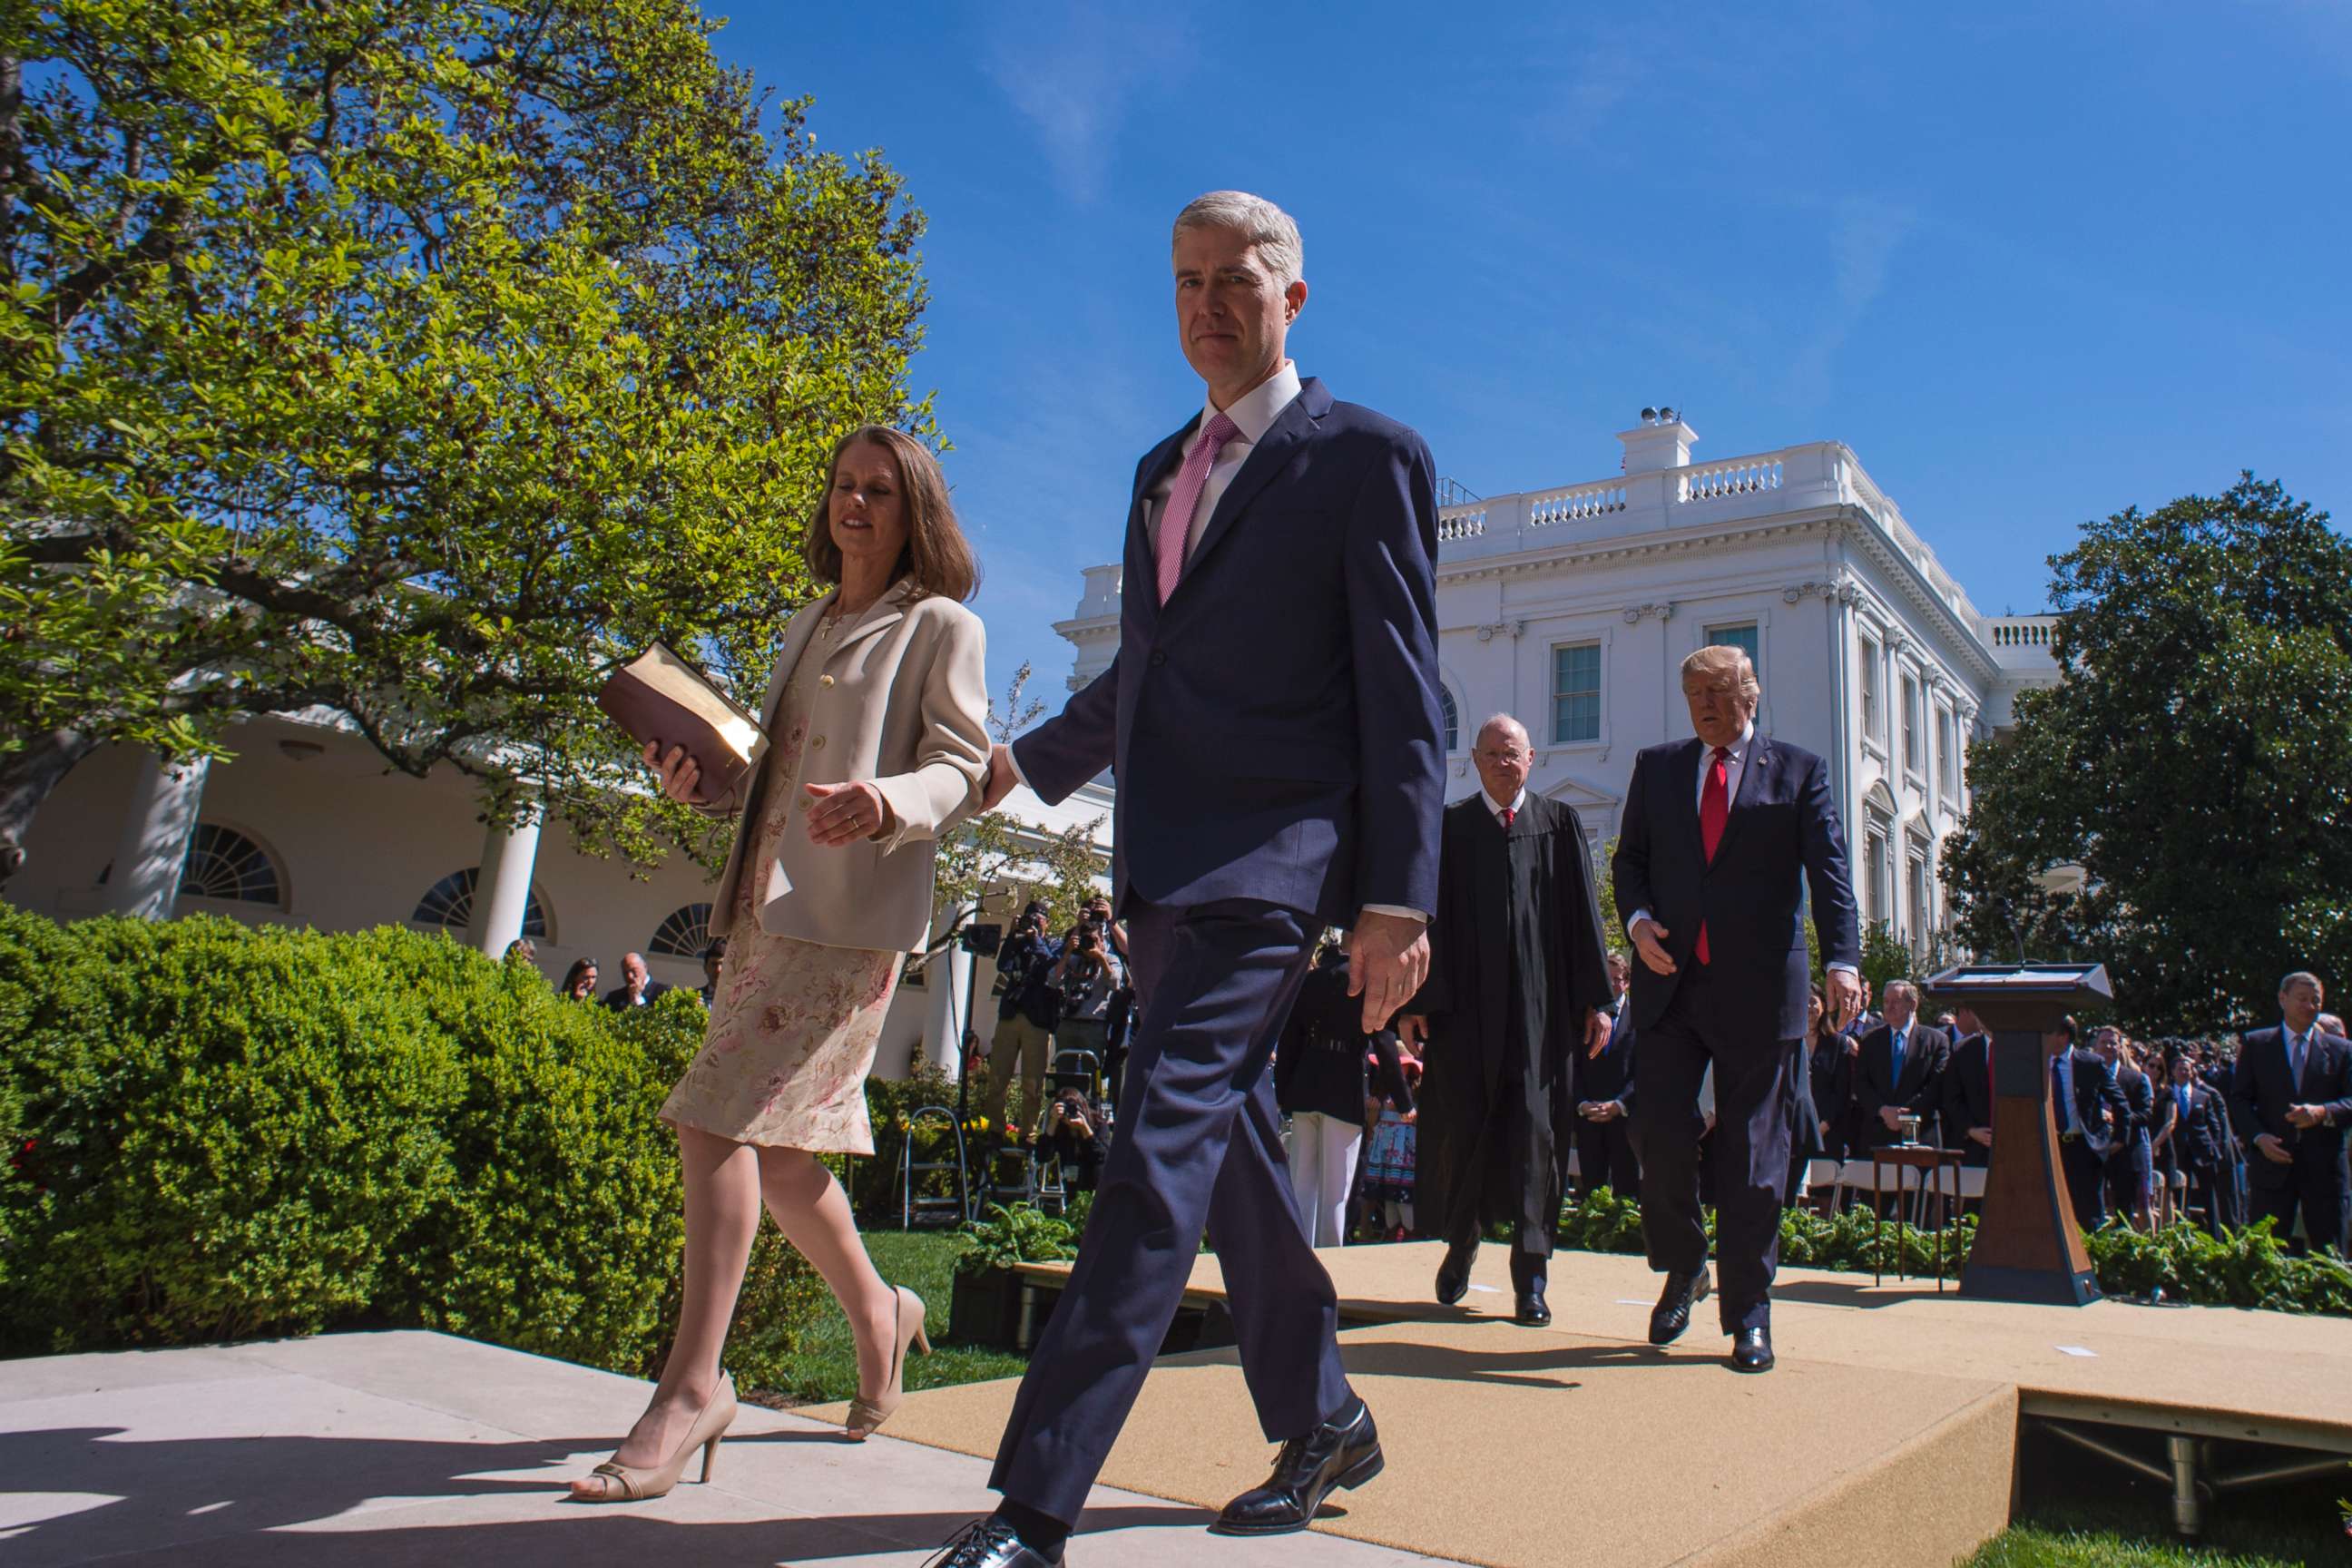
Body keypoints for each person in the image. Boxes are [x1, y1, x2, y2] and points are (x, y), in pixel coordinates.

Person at [948, 190, 1443, 1568]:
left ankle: (1033, 1508)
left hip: (1277, 867)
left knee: (1153, 1151)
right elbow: (1143, 671)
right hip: (1159, 867)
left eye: (1237, 279)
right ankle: (1327, 1416)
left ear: (1295, 297)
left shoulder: (1368, 460)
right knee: (1217, 1150)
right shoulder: (1162, 469)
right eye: (1184, 281)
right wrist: (1022, 765)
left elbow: (1408, 696)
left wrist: (1401, 896)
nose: (1207, 303)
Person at [572, 425, 989, 1501]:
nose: (855, 505)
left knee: (713, 1118)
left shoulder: (940, 625)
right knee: (785, 1151)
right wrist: (697, 780)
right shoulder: (805, 622)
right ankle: (882, 1313)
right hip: (762, 907)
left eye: (880, 491)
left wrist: (888, 803)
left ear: (915, 513)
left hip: (849, 920)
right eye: (844, 487)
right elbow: (768, 774)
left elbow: (959, 763)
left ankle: (692, 1385)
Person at [1613, 643, 1862, 1375]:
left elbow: (1831, 872)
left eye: (1718, 698)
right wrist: (1635, 923)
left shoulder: (1799, 771)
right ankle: (1685, 1262)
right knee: (1656, 1136)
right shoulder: (1657, 767)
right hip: (1672, 982)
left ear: (1751, 697)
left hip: (1760, 992)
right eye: (1694, 700)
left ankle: (1749, 1315)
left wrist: (1843, 961)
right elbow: (1630, 861)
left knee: (1753, 1159)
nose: (1705, 712)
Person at [1402, 713, 1610, 1328]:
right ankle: (1461, 1243)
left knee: (1534, 1141)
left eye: (1512, 752)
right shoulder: (1451, 829)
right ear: (1474, 758)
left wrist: (1596, 1000)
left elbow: (1585, 921)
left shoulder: (1559, 825)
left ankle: (1531, 1278)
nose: (1502, 762)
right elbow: (1426, 922)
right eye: (1491, 753)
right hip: (1464, 1014)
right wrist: (1418, 1000)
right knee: (1463, 1132)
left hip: (1540, 1018)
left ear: (1531, 758)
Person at [1276, 942, 1416, 1248]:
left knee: (1301, 1185)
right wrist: (1404, 1101)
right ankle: (1329, 1268)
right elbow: (1384, 1044)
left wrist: (1284, 1092)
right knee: (1335, 1193)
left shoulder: (1310, 979)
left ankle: (1295, 1261)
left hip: (1305, 1086)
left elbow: (1289, 1039)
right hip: (1343, 1089)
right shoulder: (1364, 983)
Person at [2228, 972, 2351, 1258]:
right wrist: (2258, 1137)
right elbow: (2239, 1099)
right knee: (2266, 1255)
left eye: (2315, 1000)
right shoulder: (2257, 1044)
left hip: (2325, 1170)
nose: (2309, 1006)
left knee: (2330, 1257)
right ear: (2283, 999)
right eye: (2302, 999)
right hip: (2272, 1167)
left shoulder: (2342, 1050)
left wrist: (2323, 1112)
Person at [980, 902, 1060, 1136]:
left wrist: (1036, 940)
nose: (1033, 922)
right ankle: (996, 1130)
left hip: (1037, 1020)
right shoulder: (1018, 942)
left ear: (1047, 922)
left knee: (1032, 1083)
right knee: (998, 1077)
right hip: (1010, 1015)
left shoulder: (1053, 944)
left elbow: (1051, 968)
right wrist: (1014, 936)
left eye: (1038, 918)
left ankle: (1029, 1133)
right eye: (1029, 917)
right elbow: (1002, 965)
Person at [1852, 980, 1949, 1155]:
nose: (1889, 1007)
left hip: (1920, 1134)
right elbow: (1861, 1083)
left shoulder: (1935, 1040)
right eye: (1886, 1002)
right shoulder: (1870, 1040)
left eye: (1895, 1002)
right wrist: (1883, 1110)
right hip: (1878, 1134)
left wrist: (1905, 1114)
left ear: (1912, 1004)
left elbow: (1936, 1085)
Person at [1574, 952, 1642, 1200]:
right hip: (1589, 1116)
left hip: (1624, 1117)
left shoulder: (1640, 1019)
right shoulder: (1585, 1018)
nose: (1613, 984)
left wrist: (1620, 1104)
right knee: (1592, 1192)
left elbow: (1642, 1070)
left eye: (1617, 979)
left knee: (1626, 1192)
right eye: (1607, 978)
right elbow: (1574, 1067)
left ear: (1627, 982)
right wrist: (1582, 1104)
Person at [2051, 1016, 2126, 1230]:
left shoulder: (2088, 1063)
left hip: (2083, 1147)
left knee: (2088, 1215)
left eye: (2049, 1031)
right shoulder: (2039, 1062)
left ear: (2063, 1036)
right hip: (2051, 1147)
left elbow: (2119, 1101)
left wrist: (2119, 1138)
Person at [2171, 1048, 2239, 1234]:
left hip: (2202, 1151)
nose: (2184, 1072)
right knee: (2179, 1195)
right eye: (2180, 1069)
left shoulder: (2204, 1096)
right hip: (2178, 1152)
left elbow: (2215, 1126)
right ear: (2172, 1072)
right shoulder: (2166, 1095)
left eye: (2187, 1069)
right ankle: (2181, 1235)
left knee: (2210, 1196)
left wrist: (2214, 1147)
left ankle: (2215, 1236)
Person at [1050, 915, 1127, 1081]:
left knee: (1092, 1077)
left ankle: (1090, 1105)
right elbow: (1053, 980)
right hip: (1068, 1022)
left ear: (1102, 940)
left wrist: (1100, 958)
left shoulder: (1111, 960)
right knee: (1063, 1075)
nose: (1090, 944)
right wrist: (1068, 951)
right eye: (1087, 939)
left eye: (1094, 939)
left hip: (1094, 1026)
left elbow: (1115, 984)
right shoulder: (1073, 959)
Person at [2097, 1028, 2156, 1229]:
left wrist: (2118, 1119)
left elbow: (2146, 1114)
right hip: (2095, 1151)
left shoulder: (2136, 1079)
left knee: (2125, 1212)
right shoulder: (2086, 1077)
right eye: (2104, 1042)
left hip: (2127, 1152)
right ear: (2096, 1046)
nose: (2108, 1047)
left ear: (2121, 1047)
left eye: (2113, 1043)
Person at [1942, 1004, 1995, 1172]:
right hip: (1972, 1147)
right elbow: (1951, 1098)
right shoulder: (1961, 1050)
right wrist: (1970, 1129)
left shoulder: (2021, 1049)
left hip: (2013, 1147)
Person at [1808, 989, 1856, 1164]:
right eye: (1803, 1001)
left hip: (1828, 1131)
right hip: (1792, 1130)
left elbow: (1842, 1090)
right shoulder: (1789, 1042)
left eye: (1813, 1001)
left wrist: (1824, 1124)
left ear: (1823, 1006)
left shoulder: (1836, 1043)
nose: (1809, 1007)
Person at [1034, 1085, 1106, 1194]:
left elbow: (1102, 1157)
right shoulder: (1059, 1127)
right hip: (1071, 1183)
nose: (1071, 1113)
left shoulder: (1098, 1123)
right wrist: (1053, 1122)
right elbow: (1042, 1156)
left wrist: (1085, 1128)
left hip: (1096, 1182)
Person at [602, 951, 671, 1011]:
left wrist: (637, 998)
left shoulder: (663, 993)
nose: (630, 976)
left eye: (634, 970)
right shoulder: (614, 997)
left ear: (645, 967)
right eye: (625, 972)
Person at [696, 938, 727, 1006]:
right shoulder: (694, 997)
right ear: (705, 968)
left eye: (723, 965)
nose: (718, 970)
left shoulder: (738, 998)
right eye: (714, 964)